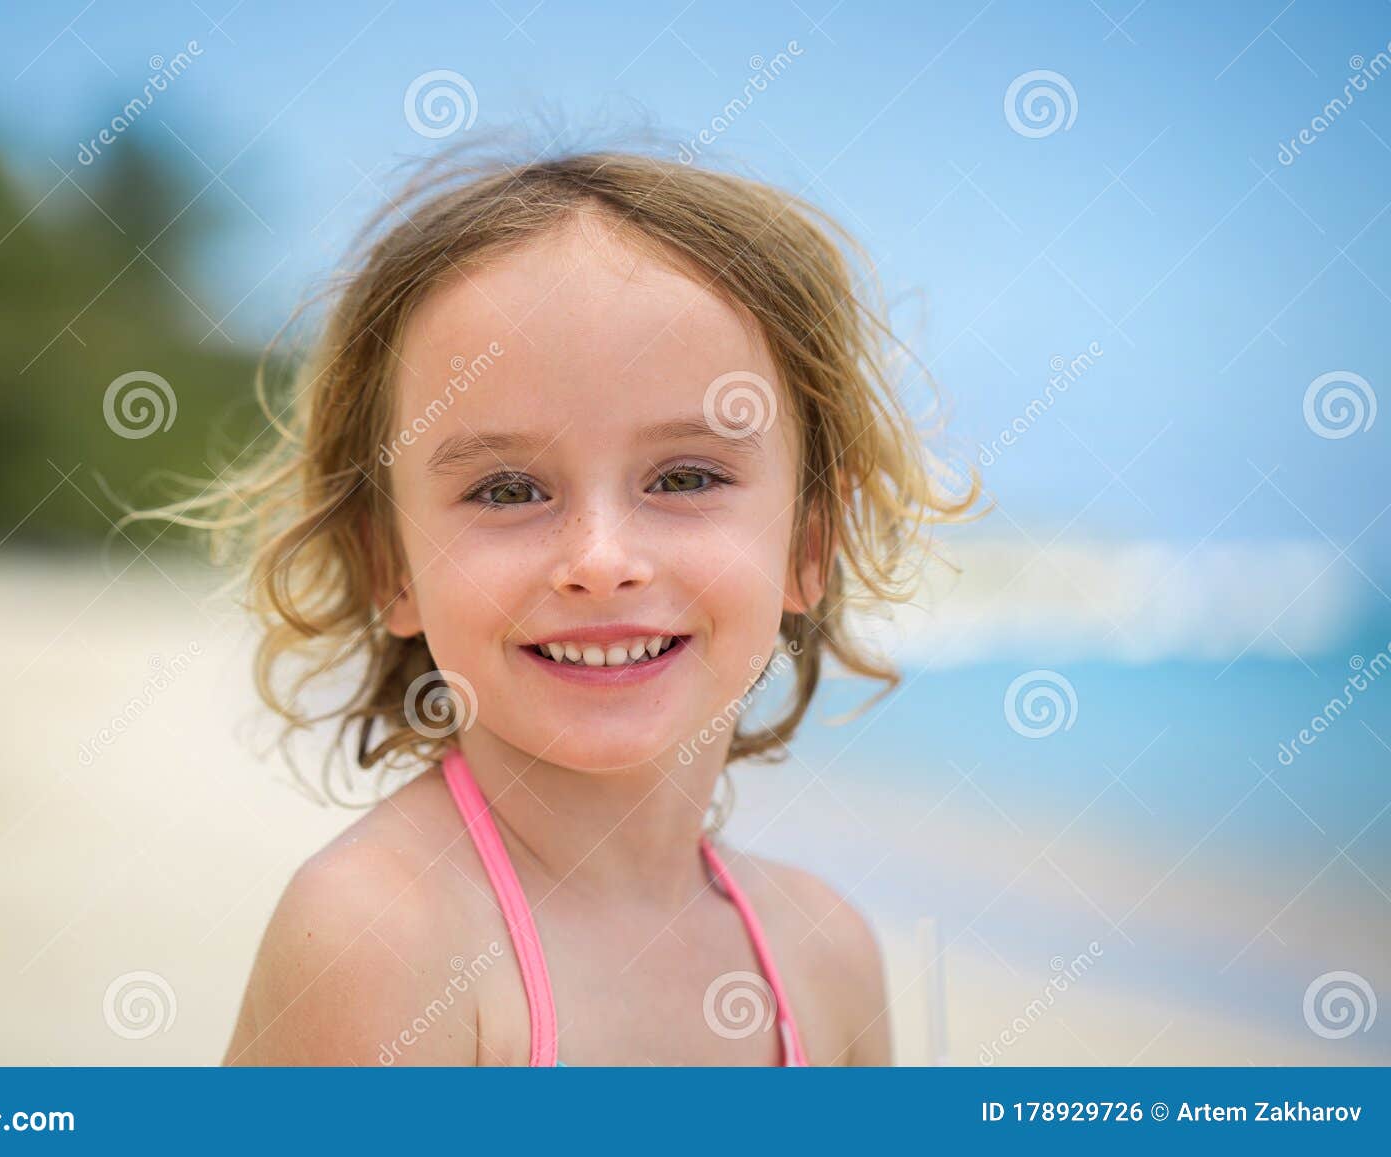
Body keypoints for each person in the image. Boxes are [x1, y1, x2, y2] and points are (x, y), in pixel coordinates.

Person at [161, 145, 979, 1065]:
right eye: (508, 490)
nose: (600, 560)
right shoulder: (385, 937)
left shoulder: (826, 958)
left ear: (807, 546)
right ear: (389, 563)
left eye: (685, 476)